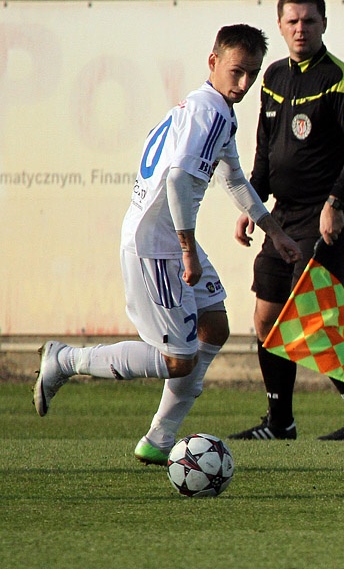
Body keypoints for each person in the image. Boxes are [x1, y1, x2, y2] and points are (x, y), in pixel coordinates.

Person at [33, 25, 302, 466]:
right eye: (237, 72)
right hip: (158, 247)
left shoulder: (211, 109)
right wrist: (188, 251)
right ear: (212, 62)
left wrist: (273, 230)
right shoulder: (209, 113)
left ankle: (160, 439)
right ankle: (65, 360)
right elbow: (177, 179)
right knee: (179, 360)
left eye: (252, 75)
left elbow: (231, 176)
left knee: (214, 327)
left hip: (167, 241)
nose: (244, 84)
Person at [229, 0, 344, 442]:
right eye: (292, 22)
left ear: (323, 25)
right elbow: (264, 150)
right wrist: (251, 205)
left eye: (309, 22)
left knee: (314, 313)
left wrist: (336, 202)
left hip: (327, 215)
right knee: (266, 316)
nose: (301, 29)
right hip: (283, 215)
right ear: (279, 26)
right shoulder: (273, 75)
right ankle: (280, 423)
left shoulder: (341, 79)